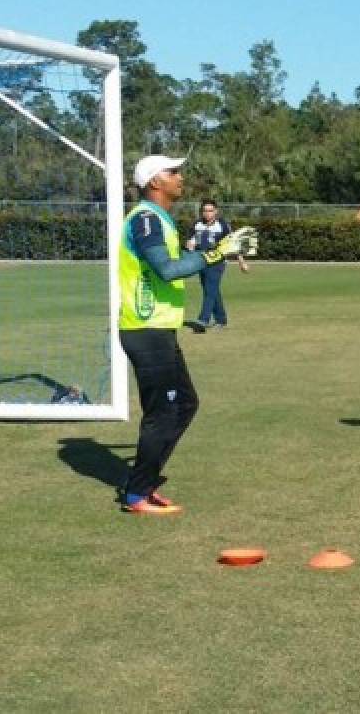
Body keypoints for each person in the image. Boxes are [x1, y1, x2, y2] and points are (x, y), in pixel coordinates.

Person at [117, 155, 257, 514]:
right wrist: (216, 254)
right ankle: (136, 494)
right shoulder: (146, 220)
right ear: (154, 183)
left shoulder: (160, 219)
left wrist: (214, 253)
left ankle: (144, 483)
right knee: (163, 411)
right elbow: (166, 270)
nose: (180, 177)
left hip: (159, 330)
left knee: (185, 404)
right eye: (172, 172)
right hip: (145, 330)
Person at [184, 198, 248, 332]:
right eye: (205, 211)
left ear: (216, 211)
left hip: (218, 262)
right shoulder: (196, 224)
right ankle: (221, 320)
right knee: (211, 290)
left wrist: (241, 262)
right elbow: (190, 241)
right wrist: (190, 246)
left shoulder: (223, 225)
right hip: (201, 260)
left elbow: (233, 243)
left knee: (210, 289)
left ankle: (203, 320)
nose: (207, 213)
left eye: (210, 211)